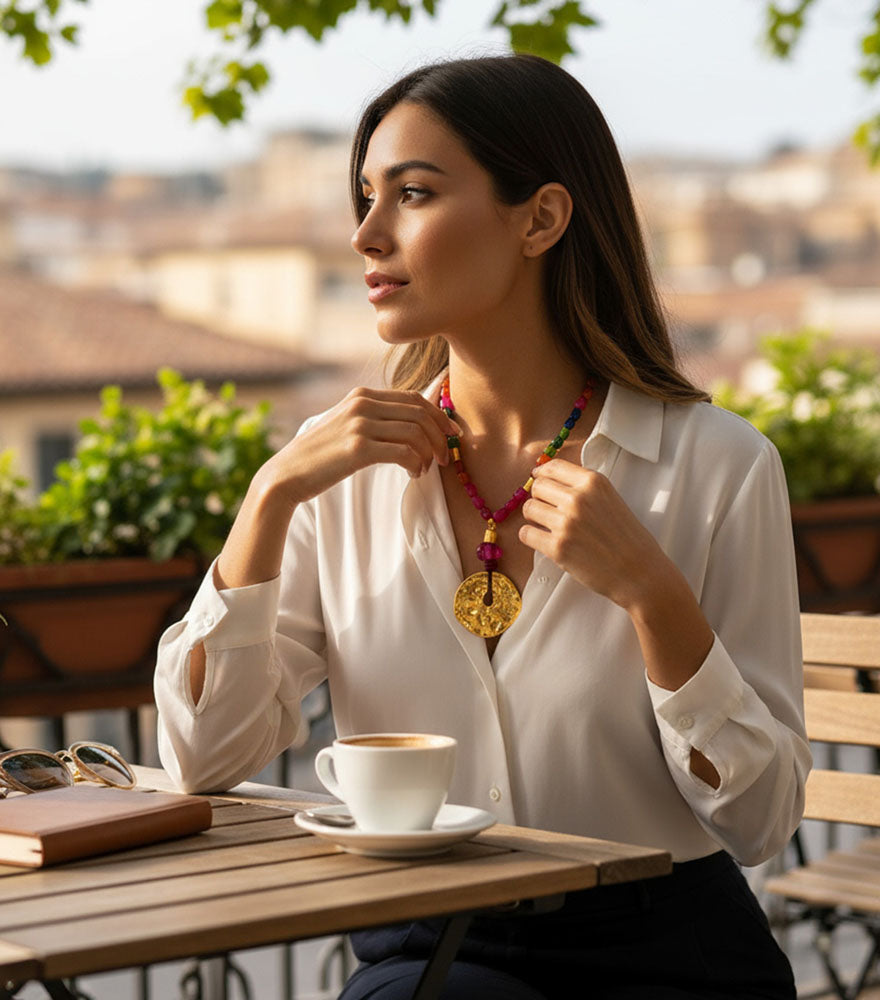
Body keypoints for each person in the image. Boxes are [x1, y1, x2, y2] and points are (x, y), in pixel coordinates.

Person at [154, 53, 810, 999]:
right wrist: (267, 503)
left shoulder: (721, 466)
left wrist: (654, 597)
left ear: (540, 217)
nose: (366, 235)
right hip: (430, 946)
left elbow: (761, 818)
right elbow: (202, 760)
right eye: (364, 197)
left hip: (667, 948)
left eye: (412, 194)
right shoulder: (332, 475)